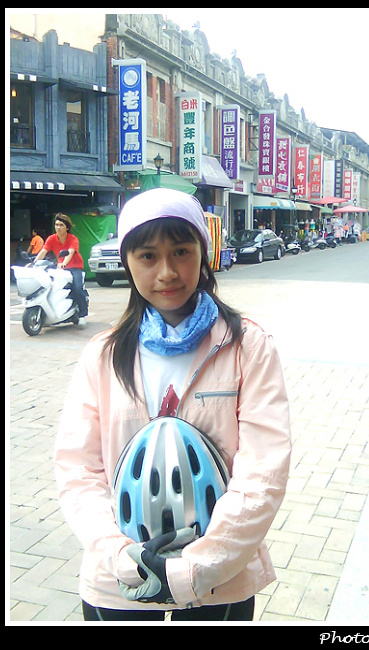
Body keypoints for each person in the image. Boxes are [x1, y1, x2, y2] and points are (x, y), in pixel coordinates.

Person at [53, 188, 291, 622]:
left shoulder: (246, 346)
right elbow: (78, 469)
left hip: (218, 583)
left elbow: (263, 470)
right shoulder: (103, 354)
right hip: (118, 581)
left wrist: (198, 568)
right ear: (127, 261)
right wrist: (120, 556)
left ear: (203, 252)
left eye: (181, 251)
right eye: (147, 256)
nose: (166, 272)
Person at [32, 213, 88, 325]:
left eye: (61, 225)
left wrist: (64, 263)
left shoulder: (73, 239)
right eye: (56, 225)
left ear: (67, 227)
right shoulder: (51, 238)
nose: (58, 227)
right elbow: (43, 252)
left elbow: (70, 253)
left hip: (75, 268)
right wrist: (34, 263)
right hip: (60, 268)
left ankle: (82, 313)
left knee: (77, 288)